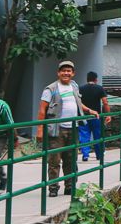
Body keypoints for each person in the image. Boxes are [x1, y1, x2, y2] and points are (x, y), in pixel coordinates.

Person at [39, 60, 95, 197]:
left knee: (71, 158)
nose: (66, 73)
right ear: (58, 73)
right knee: (54, 159)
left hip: (73, 127)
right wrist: (40, 129)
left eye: (69, 71)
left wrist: (89, 111)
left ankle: (69, 186)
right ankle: (53, 187)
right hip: (56, 129)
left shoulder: (74, 86)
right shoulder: (50, 89)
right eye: (63, 70)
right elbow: (42, 110)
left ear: (73, 73)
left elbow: (78, 104)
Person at [77, 71, 108, 162]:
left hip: (83, 116)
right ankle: (99, 155)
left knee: (84, 136)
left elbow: (78, 102)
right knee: (97, 135)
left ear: (87, 79)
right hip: (96, 116)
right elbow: (105, 102)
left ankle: (85, 155)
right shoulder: (99, 88)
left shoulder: (80, 88)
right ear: (96, 79)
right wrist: (108, 114)